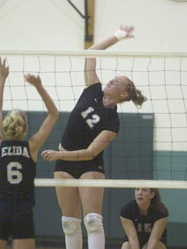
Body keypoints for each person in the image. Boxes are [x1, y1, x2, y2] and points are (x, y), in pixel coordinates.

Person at [41, 25, 147, 249]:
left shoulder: (113, 122)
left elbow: (91, 152)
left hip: (89, 164)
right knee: (70, 223)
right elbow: (91, 53)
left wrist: (61, 153)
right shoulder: (93, 89)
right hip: (64, 164)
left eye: (118, 82)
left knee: (92, 221)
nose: (112, 81)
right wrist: (117, 36)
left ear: (125, 94)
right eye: (114, 78)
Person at [0, 57, 59, 249]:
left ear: (5, 127)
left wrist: (2, 77)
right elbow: (54, 114)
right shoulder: (32, 146)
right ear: (26, 127)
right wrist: (39, 86)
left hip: (1, 210)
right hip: (23, 211)